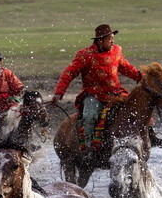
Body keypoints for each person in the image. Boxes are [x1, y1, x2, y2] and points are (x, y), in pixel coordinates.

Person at [51, 24, 152, 158]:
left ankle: (150, 138)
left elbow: (127, 68)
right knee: (89, 116)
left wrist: (143, 78)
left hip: (117, 93)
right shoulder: (84, 56)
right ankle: (88, 148)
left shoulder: (116, 51)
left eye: (113, 38)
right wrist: (59, 93)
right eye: (109, 38)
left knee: (138, 109)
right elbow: (68, 74)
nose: (112, 41)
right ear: (100, 40)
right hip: (94, 95)